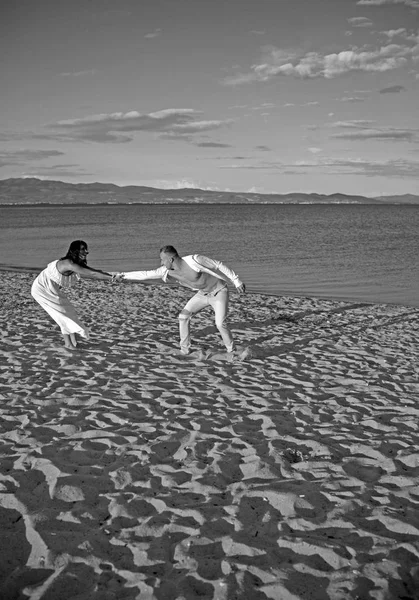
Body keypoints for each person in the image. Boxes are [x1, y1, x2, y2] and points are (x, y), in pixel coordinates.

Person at [121, 245, 246, 356]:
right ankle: (185, 350)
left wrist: (236, 280)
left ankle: (232, 350)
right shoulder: (166, 271)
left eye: (162, 260)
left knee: (220, 324)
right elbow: (146, 274)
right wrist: (123, 276)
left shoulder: (194, 260)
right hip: (202, 294)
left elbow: (218, 265)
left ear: (171, 259)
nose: (161, 263)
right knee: (183, 317)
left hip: (219, 292)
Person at [31, 240, 114, 349]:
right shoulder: (68, 264)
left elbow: (93, 270)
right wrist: (111, 278)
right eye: (83, 249)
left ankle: (74, 342)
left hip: (51, 289)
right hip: (41, 289)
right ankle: (68, 344)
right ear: (75, 251)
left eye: (86, 249)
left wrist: (111, 275)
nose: (86, 252)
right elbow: (92, 273)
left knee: (68, 311)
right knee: (62, 314)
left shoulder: (75, 264)